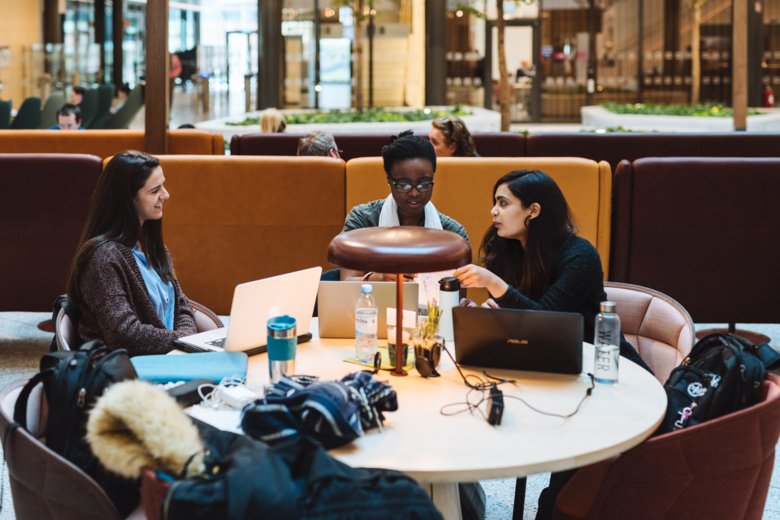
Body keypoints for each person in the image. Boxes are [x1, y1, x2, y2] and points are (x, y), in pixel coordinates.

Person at [452, 169, 650, 520]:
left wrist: (495, 285)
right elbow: (517, 319)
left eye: (503, 203)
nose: (493, 213)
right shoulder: (509, 251)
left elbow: (546, 320)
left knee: (564, 499)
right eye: (494, 204)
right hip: (548, 368)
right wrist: (481, 316)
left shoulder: (579, 255)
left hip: (600, 376)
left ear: (533, 211)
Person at [67, 151, 197, 355]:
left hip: (169, 355)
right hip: (129, 367)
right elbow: (124, 334)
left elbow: (182, 305)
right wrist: (185, 342)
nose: (166, 195)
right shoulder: (103, 258)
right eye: (155, 190)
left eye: (163, 185)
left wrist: (188, 343)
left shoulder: (154, 248)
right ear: (128, 200)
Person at [341, 130, 469, 281]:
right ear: (389, 180)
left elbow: (458, 294)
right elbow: (346, 281)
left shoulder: (453, 234)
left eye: (424, 184)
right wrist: (382, 277)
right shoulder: (363, 220)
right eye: (403, 185)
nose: (414, 193)